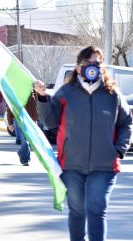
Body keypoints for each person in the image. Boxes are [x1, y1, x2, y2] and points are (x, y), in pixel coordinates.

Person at [34, 46, 133, 241]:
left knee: (96, 210)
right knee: (78, 211)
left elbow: (126, 123)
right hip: (72, 165)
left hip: (104, 166)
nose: (92, 67)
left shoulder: (112, 95)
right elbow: (50, 121)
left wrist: (119, 150)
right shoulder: (66, 93)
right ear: (79, 68)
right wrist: (43, 97)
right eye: (87, 64)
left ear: (101, 67)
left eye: (96, 63)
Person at [6, 90, 38, 166]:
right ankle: (25, 159)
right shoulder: (16, 91)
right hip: (21, 120)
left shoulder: (32, 91)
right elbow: (10, 108)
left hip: (32, 120)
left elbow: (36, 104)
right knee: (25, 140)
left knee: (31, 140)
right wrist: (10, 123)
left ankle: (22, 153)